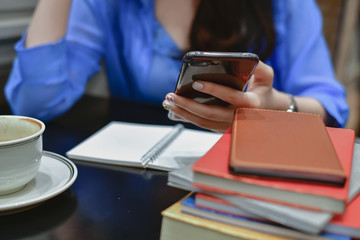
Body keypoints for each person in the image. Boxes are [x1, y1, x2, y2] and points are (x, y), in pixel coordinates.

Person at [5, 0, 349, 133]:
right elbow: (34, 105)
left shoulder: (284, 5)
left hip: (252, 176)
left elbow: (330, 106)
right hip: (140, 181)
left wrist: (277, 107)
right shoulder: (109, 4)